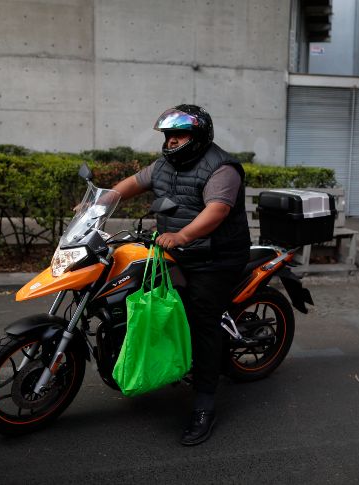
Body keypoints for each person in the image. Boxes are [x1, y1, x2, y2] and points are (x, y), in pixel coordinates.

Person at [111, 104, 251, 446]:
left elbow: (217, 210)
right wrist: (99, 204)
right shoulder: (164, 164)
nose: (172, 142)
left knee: (202, 317)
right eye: (169, 136)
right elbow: (131, 184)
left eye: (180, 135)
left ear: (199, 136)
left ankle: (204, 404)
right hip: (175, 252)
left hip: (215, 257)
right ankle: (163, 362)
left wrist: (184, 235)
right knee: (136, 295)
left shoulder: (222, 168)